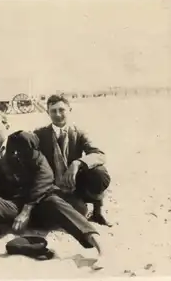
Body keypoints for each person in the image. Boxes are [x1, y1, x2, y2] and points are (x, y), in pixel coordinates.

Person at [0, 110, 103, 271]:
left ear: (7, 126)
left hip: (40, 202)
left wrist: (27, 208)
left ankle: (101, 247)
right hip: (14, 206)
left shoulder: (23, 143)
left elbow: (45, 175)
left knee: (54, 201)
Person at [33, 94, 112, 226]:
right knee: (77, 213)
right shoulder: (40, 134)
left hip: (76, 182)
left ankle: (98, 212)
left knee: (99, 173)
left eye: (62, 110)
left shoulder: (79, 132)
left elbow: (99, 154)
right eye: (53, 111)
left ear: (69, 110)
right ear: (47, 113)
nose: (58, 114)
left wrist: (78, 163)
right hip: (52, 184)